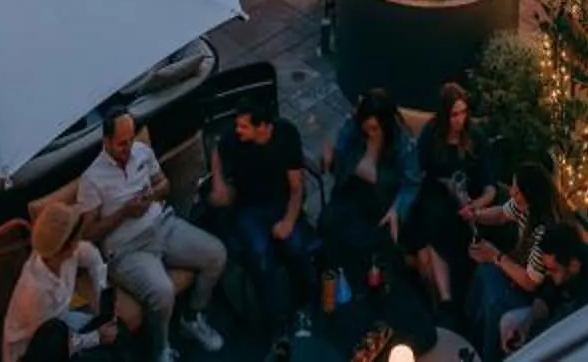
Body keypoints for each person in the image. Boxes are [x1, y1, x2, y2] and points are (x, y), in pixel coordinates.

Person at [72, 110, 227, 359]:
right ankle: (161, 349)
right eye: (122, 143)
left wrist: (151, 196)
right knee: (163, 293)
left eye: (131, 140)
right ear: (107, 142)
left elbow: (164, 183)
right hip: (128, 250)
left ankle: (193, 317)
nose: (128, 148)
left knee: (216, 254)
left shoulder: (141, 151)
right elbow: (88, 233)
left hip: (162, 225)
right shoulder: (91, 179)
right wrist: (124, 212)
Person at [208, 103, 311, 340]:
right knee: (260, 256)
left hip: (281, 202)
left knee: (296, 248)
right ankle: (276, 325)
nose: (238, 130)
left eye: (244, 126)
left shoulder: (286, 135)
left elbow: (297, 188)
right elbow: (217, 150)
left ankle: (302, 309)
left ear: (263, 127)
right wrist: (218, 182)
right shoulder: (234, 139)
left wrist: (288, 221)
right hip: (248, 207)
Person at [3, 199, 140, 359]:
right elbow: (52, 344)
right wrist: (96, 337)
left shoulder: (64, 254)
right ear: (67, 247)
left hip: (61, 322)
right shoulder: (36, 294)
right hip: (38, 352)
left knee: (119, 332)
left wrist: (103, 298)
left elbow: (93, 257)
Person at [407, 82, 497, 311]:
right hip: (435, 196)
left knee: (451, 231)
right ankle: (441, 300)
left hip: (466, 202)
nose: (460, 120)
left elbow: (491, 190)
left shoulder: (476, 138)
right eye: (454, 114)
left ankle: (449, 299)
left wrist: (474, 207)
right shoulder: (432, 133)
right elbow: (417, 170)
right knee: (426, 226)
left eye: (463, 113)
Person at [319, 89, 419, 284]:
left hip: (382, 199)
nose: (370, 133)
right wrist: (331, 157)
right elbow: (340, 152)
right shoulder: (354, 129)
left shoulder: (402, 143)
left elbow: (411, 184)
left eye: (375, 129)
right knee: (329, 224)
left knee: (376, 243)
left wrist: (396, 209)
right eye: (367, 128)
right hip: (352, 191)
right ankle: (333, 277)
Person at [466, 163, 563, 358]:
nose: (511, 193)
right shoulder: (523, 207)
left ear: (530, 195)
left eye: (517, 191)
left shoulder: (544, 233)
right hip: (517, 271)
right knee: (484, 272)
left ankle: (488, 354)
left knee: (495, 300)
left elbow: (530, 283)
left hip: (533, 295)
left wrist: (495, 255)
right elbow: (501, 214)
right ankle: (468, 330)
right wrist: (475, 215)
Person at [503, 221, 588, 350]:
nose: (548, 273)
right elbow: (547, 297)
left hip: (581, 326)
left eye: (553, 270)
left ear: (573, 266)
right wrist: (526, 325)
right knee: (510, 321)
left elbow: (576, 324)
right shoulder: (561, 267)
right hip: (561, 311)